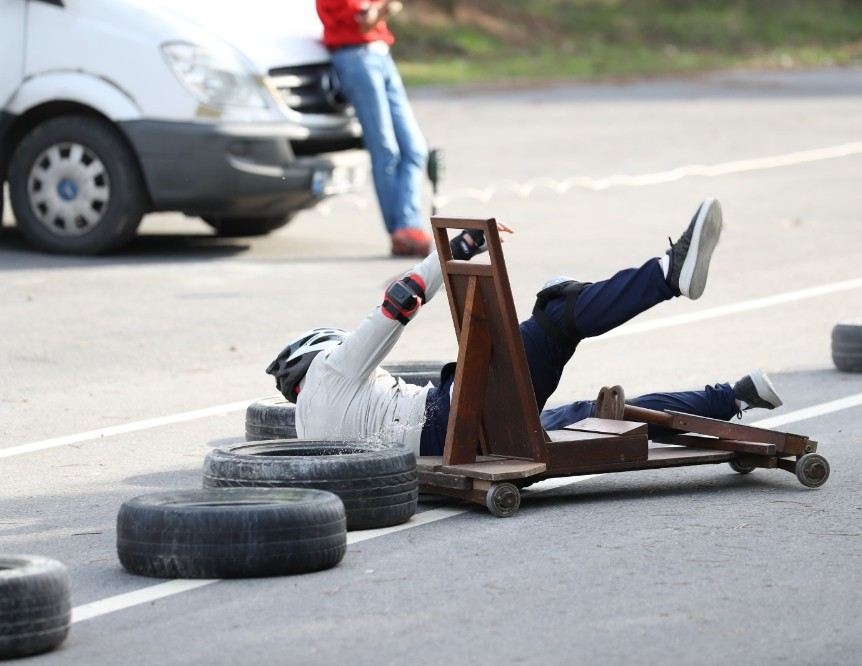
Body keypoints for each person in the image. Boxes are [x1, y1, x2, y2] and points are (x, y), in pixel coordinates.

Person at [266, 198, 784, 456]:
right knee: (557, 314)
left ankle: (730, 398)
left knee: (596, 415)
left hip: (468, 442)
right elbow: (398, 304)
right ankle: (669, 275)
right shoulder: (331, 373)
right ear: (317, 352)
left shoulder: (310, 435)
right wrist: (453, 252)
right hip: (459, 414)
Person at [316, 0, 433, 257]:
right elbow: (364, 21)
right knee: (385, 149)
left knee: (415, 149)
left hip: (380, 54)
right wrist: (385, 7)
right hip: (355, 58)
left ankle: (407, 225)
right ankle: (403, 231)